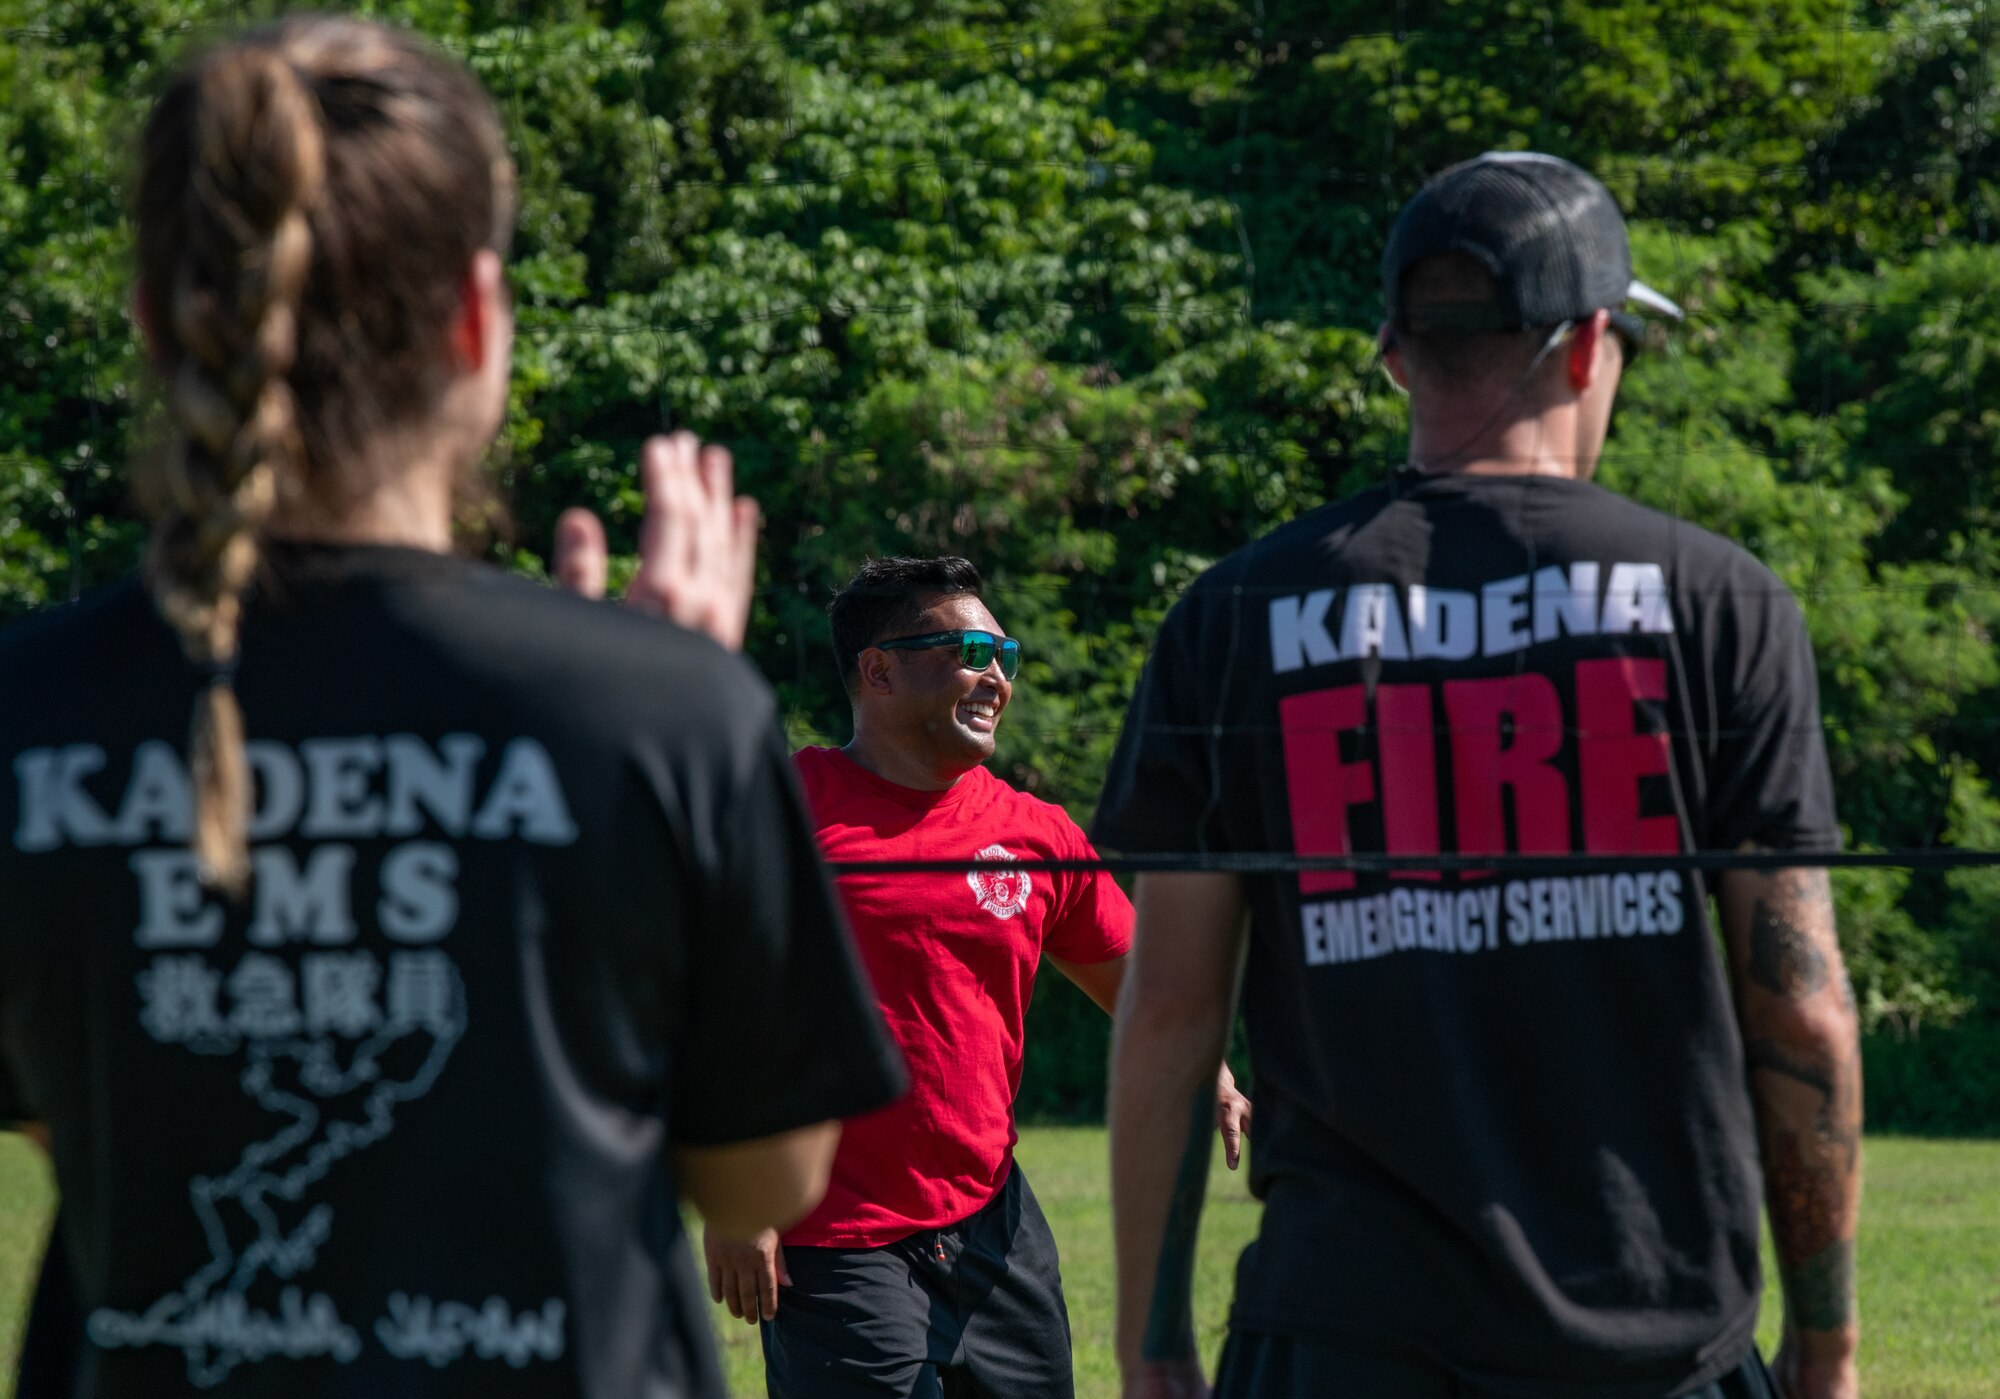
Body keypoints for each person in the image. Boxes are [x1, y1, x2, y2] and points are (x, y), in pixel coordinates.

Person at [0, 16, 903, 1398]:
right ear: (477, 320)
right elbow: (765, 1165)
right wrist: (669, 725)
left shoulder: (28, 709)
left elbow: (94, 1118)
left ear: (152, 320)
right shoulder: (658, 709)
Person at [1097, 152, 1861, 1399]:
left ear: (1396, 355)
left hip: (1336, 1336)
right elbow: (1798, 1007)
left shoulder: (1230, 616)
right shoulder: (1722, 604)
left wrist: (1152, 1344)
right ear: (1584, 347)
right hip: (1651, 1336)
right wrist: (1824, 1348)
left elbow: (1172, 1013)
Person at [695, 556, 1249, 1399]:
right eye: (969, 649)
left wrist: (1206, 1069)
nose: (997, 674)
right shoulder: (782, 809)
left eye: (1006, 654)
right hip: (837, 1242)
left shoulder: (1036, 831)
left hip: (996, 1229)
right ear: (877, 669)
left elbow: (1137, 983)